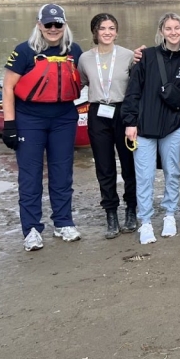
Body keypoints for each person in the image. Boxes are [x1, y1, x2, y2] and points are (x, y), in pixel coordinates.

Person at [2, 4, 84, 252]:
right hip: (29, 120)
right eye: (48, 24)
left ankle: (63, 222)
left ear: (64, 25)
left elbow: (91, 74)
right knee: (30, 177)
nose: (53, 29)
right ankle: (32, 230)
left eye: (57, 24)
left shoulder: (74, 51)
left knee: (62, 174)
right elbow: (7, 88)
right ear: (39, 25)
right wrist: (9, 124)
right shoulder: (24, 52)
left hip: (63, 118)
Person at [123, 13, 180, 245]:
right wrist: (130, 122)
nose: (173, 32)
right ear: (161, 31)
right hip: (144, 126)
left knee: (172, 172)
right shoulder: (146, 56)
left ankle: (170, 215)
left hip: (173, 126)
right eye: (168, 28)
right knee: (144, 176)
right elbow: (133, 90)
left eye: (177, 28)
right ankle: (145, 221)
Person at [77, 13, 137, 238]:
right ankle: (111, 213)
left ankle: (131, 209)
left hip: (123, 112)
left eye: (112, 28)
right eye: (103, 28)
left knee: (129, 164)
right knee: (104, 166)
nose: (107, 32)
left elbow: (137, 85)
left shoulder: (129, 56)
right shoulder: (84, 59)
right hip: (97, 112)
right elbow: (80, 83)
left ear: (117, 31)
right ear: (95, 32)